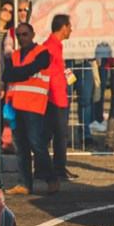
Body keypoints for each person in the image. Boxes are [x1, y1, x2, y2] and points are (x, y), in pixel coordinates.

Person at [2, 23, 53, 195]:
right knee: (21, 147)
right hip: (16, 105)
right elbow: (7, 75)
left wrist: (19, 72)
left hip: (34, 105)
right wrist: (23, 72)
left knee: (37, 144)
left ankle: (51, 178)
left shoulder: (42, 53)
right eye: (18, 35)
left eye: (25, 34)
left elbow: (32, 68)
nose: (21, 38)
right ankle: (24, 184)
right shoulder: (15, 55)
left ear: (32, 34)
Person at [42, 14, 73, 182]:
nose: (71, 30)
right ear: (63, 28)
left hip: (57, 96)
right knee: (59, 135)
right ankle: (56, 169)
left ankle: (52, 167)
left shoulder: (55, 46)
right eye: (69, 27)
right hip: (54, 98)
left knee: (53, 134)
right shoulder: (50, 47)